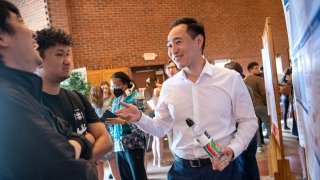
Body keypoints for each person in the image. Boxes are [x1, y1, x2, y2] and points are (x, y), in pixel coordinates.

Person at [115, 17, 258, 180]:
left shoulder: (230, 79)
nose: (173, 50)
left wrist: (233, 149)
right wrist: (139, 118)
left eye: (178, 42)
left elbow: (248, 121)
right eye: (169, 45)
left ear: (198, 41)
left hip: (224, 168)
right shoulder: (169, 86)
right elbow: (160, 128)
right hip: (183, 171)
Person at [0, 1, 97, 179]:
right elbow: (70, 172)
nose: (33, 33)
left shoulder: (27, 95)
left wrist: (71, 146)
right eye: (20, 22)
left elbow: (69, 133)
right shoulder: (7, 100)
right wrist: (80, 146)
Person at [36, 27, 112, 165]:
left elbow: (105, 140)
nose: (67, 61)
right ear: (39, 60)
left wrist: (81, 165)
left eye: (67, 54)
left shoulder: (77, 97)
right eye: (59, 55)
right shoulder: (32, 104)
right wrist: (87, 139)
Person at [108, 72, 148, 180]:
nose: (114, 88)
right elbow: (115, 119)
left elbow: (144, 121)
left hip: (133, 142)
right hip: (118, 143)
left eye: (117, 85)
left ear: (125, 84)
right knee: (125, 176)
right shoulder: (116, 100)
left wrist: (123, 122)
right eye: (113, 85)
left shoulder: (137, 98)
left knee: (137, 175)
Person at [224, 62, 260, 180]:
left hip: (240, 132)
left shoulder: (234, 90)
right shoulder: (246, 88)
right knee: (250, 161)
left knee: (241, 164)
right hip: (248, 132)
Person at [89, 85, 120, 180]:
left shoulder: (88, 108)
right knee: (114, 166)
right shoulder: (108, 108)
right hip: (108, 137)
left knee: (99, 166)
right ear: (102, 94)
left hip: (96, 140)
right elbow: (114, 120)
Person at [244, 61, 271, 153]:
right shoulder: (259, 79)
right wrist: (267, 104)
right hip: (260, 105)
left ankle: (259, 145)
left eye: (258, 68)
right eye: (256, 68)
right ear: (250, 70)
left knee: (256, 127)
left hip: (251, 108)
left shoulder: (244, 81)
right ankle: (274, 143)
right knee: (269, 124)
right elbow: (264, 93)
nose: (258, 69)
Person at [144, 76, 171, 167]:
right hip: (157, 114)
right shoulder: (157, 90)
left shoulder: (147, 91)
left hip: (151, 114)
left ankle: (156, 160)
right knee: (159, 140)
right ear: (156, 81)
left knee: (155, 140)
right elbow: (167, 87)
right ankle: (161, 161)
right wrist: (159, 84)